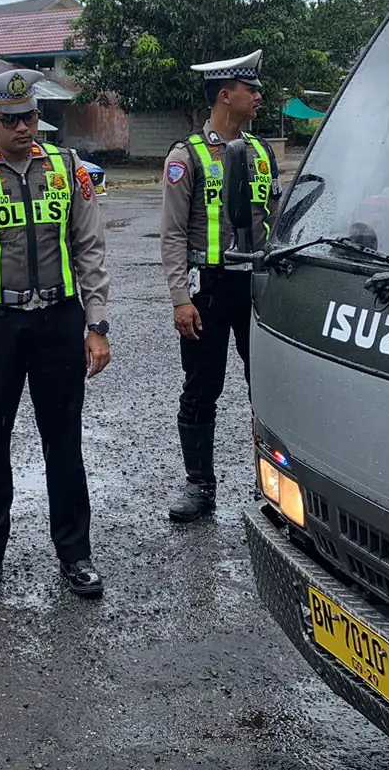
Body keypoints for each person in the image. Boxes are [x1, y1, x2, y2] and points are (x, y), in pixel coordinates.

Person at [0, 69, 112, 600]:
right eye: (10, 119)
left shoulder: (67, 168)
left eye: (30, 117)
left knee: (64, 440)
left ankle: (75, 554)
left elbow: (90, 249)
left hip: (58, 321)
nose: (23, 128)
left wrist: (97, 324)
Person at [159, 49, 281, 522]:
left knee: (266, 389)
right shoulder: (186, 156)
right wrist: (180, 299)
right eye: (251, 89)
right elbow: (172, 234)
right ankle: (200, 486)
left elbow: (276, 220)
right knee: (201, 388)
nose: (259, 96)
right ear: (225, 95)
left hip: (257, 287)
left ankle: (272, 487)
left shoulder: (262, 152)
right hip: (206, 289)